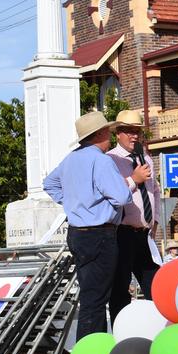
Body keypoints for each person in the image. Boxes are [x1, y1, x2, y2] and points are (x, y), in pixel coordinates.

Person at [43, 112, 137, 338]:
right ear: (101, 134)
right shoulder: (101, 161)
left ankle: (89, 348)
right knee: (95, 298)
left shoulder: (71, 159)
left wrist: (74, 202)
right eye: (108, 131)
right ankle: (90, 350)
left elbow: (49, 184)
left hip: (78, 233)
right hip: (100, 233)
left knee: (91, 293)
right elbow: (122, 197)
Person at [107, 109, 160, 318]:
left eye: (137, 131)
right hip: (123, 232)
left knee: (155, 287)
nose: (134, 136)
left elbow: (154, 190)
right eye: (129, 131)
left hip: (145, 235)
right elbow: (113, 193)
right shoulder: (110, 160)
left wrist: (154, 221)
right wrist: (134, 179)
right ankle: (121, 330)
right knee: (120, 288)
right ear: (118, 133)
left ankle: (158, 329)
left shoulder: (146, 158)